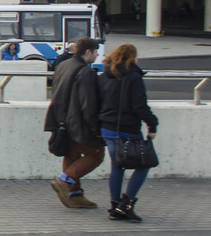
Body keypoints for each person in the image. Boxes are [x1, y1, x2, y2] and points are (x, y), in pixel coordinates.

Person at [97, 44, 158, 222]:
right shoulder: (133, 77)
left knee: (117, 166)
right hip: (127, 128)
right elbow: (139, 106)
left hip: (107, 128)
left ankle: (115, 205)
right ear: (133, 57)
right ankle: (126, 205)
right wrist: (152, 125)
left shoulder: (103, 76)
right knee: (143, 164)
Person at [44, 37, 104, 210]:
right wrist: (95, 129)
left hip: (60, 119)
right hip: (77, 122)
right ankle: (64, 181)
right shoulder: (85, 72)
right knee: (96, 155)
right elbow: (88, 104)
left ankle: (75, 194)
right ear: (88, 52)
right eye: (95, 52)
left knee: (71, 155)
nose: (97, 55)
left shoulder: (64, 65)